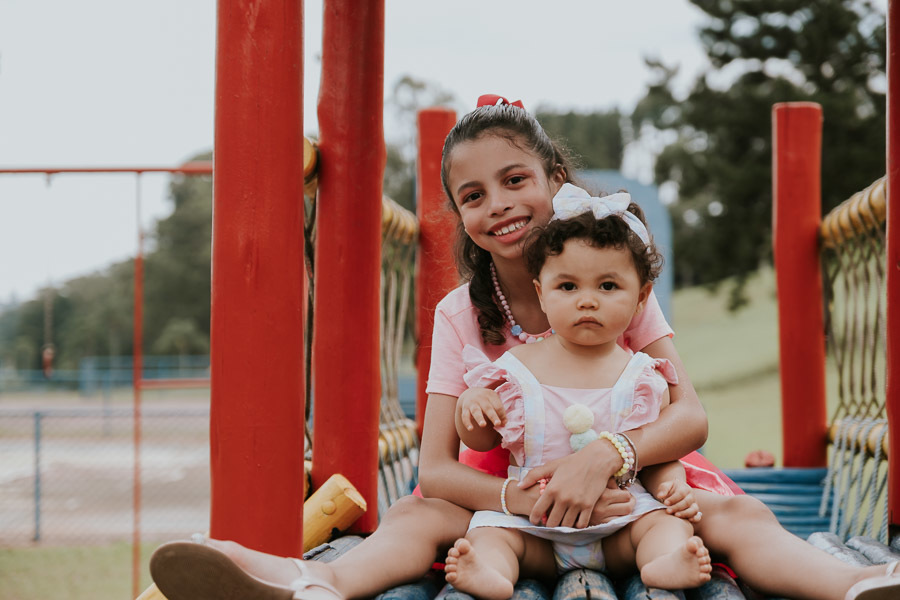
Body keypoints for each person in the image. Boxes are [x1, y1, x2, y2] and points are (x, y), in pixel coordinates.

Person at [149, 96, 899, 600]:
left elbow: (689, 413)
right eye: (473, 196)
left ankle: (852, 585)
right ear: (459, 214)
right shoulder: (458, 314)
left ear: (556, 181)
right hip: (505, 500)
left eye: (515, 180)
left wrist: (607, 454)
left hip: (629, 485)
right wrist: (520, 495)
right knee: (415, 517)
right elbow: (439, 467)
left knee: (738, 516)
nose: (499, 205)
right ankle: (309, 584)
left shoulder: (607, 282)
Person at [443, 191, 713, 600]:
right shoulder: (517, 369)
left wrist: (672, 487)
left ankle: (667, 561)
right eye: (567, 286)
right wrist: (472, 406)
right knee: (492, 533)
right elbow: (481, 441)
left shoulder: (642, 376)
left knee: (664, 525)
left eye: (607, 286)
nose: (587, 300)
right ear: (541, 292)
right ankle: (490, 572)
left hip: (619, 524)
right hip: (534, 525)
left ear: (641, 298)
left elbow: (658, 453)